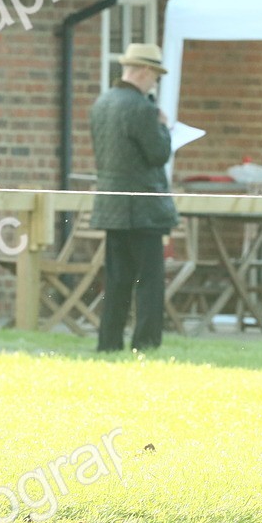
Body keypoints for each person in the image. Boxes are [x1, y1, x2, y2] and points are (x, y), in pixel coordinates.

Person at [89, 42, 179, 352]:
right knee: (150, 282)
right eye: (155, 75)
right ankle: (146, 342)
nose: (155, 82)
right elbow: (158, 153)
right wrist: (164, 128)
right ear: (143, 71)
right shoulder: (142, 108)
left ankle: (109, 343)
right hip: (144, 208)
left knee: (116, 280)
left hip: (112, 205)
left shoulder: (102, 103)